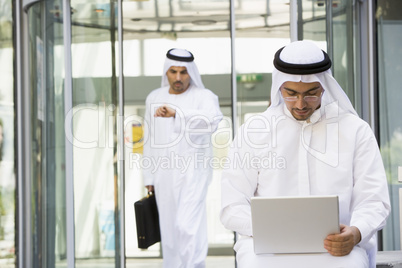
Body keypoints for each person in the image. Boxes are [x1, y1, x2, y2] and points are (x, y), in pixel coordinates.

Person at [220, 40, 391, 268]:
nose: (300, 104)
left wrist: (356, 232)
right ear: (279, 87)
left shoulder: (355, 130)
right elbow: (231, 204)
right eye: (291, 94)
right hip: (267, 250)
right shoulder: (253, 131)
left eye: (311, 94)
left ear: (324, 87)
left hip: (338, 249)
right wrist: (269, 230)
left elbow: (374, 199)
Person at [142, 48, 223, 268]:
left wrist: (177, 113)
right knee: (168, 230)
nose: (178, 78)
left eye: (184, 72)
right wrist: (148, 177)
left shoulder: (204, 96)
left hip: (193, 173)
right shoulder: (154, 98)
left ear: (192, 73)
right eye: (173, 71)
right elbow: (148, 140)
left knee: (188, 226)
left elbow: (213, 121)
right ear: (166, 72)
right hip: (163, 174)